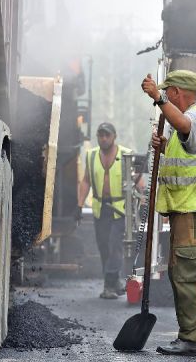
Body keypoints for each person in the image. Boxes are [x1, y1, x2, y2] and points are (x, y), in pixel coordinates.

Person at [141, 70, 196, 356]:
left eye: (169, 92)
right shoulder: (188, 123)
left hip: (193, 209)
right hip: (192, 209)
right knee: (191, 273)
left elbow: (182, 123)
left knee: (187, 274)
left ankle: (190, 337)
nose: (167, 96)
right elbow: (187, 154)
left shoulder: (195, 117)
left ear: (177, 92)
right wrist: (164, 148)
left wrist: (157, 97)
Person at [77, 122, 132, 299]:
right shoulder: (91, 156)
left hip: (120, 208)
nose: (104, 138)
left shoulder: (125, 155)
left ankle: (108, 286)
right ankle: (114, 281)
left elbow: (135, 180)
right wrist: (79, 205)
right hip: (100, 208)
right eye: (100, 135)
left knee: (115, 245)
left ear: (114, 136)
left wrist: (144, 198)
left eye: (107, 135)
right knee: (103, 247)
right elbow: (86, 180)